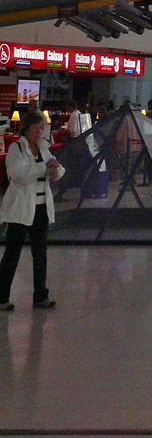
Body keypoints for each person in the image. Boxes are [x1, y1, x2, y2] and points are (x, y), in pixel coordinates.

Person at [0, 110, 65, 311]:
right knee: (12, 253)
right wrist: (44, 168)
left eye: (41, 129)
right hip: (21, 208)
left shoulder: (43, 148)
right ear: (26, 129)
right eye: (36, 129)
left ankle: (40, 296)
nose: (39, 133)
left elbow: (58, 169)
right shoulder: (16, 149)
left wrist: (55, 169)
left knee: (40, 254)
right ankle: (2, 297)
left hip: (41, 208)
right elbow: (17, 173)